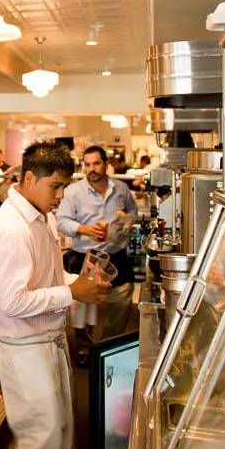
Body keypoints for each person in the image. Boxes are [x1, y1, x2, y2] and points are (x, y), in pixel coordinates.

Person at [0, 140, 109, 449]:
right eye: (56, 186)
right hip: (24, 348)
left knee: (58, 435)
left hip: (50, 342)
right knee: (40, 439)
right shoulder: (8, 229)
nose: (62, 196)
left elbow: (47, 280)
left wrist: (78, 281)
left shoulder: (43, 218)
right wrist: (71, 292)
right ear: (29, 178)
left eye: (66, 186)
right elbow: (11, 302)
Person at [55, 145, 139, 358]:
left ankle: (108, 345)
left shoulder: (121, 188)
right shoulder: (73, 191)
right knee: (84, 306)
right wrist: (84, 229)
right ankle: (85, 347)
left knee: (122, 303)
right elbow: (61, 221)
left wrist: (128, 223)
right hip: (86, 257)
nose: (91, 168)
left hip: (116, 254)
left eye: (96, 163)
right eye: (88, 164)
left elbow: (132, 211)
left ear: (106, 164)